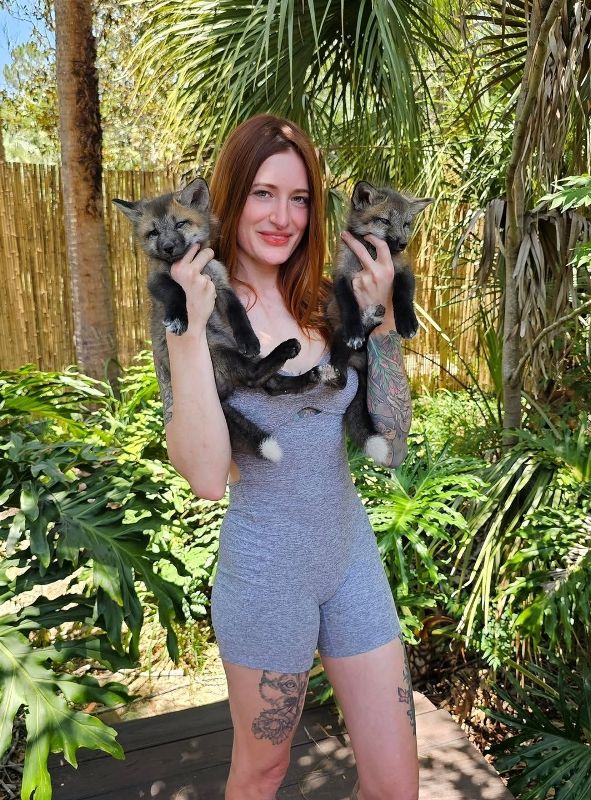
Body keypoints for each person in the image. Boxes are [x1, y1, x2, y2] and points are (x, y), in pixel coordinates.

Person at [160, 114, 418, 800]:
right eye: (264, 194)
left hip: (349, 555)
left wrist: (383, 326)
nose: (283, 217)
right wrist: (187, 332)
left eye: (299, 198)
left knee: (396, 786)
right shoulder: (198, 313)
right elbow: (206, 477)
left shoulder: (326, 303)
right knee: (262, 773)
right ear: (231, 197)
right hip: (267, 573)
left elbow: (392, 447)